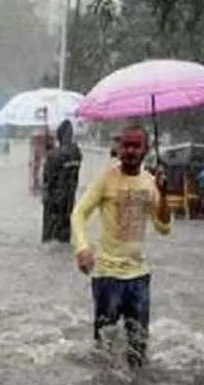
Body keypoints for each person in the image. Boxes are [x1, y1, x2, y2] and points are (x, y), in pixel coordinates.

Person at [72, 125, 172, 367]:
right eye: (125, 145)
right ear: (118, 148)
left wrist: (163, 195)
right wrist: (82, 248)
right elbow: (78, 214)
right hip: (107, 275)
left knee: (138, 350)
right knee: (103, 349)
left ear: (146, 150)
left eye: (136, 145)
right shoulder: (106, 179)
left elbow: (164, 228)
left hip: (139, 277)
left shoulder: (151, 183)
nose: (129, 150)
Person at [42, 119, 82, 243]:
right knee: (65, 231)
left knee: (50, 235)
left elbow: (47, 178)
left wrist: (49, 152)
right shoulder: (77, 153)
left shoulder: (54, 155)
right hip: (70, 198)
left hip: (54, 199)